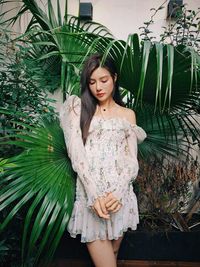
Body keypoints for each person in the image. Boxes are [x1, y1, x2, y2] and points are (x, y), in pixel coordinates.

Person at [59, 53, 147, 267]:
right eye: (92, 82)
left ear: (114, 78)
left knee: (114, 253)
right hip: (92, 200)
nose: (98, 87)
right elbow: (77, 157)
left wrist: (117, 193)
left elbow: (131, 161)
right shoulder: (77, 109)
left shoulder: (128, 115)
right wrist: (94, 195)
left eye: (103, 80)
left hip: (119, 198)